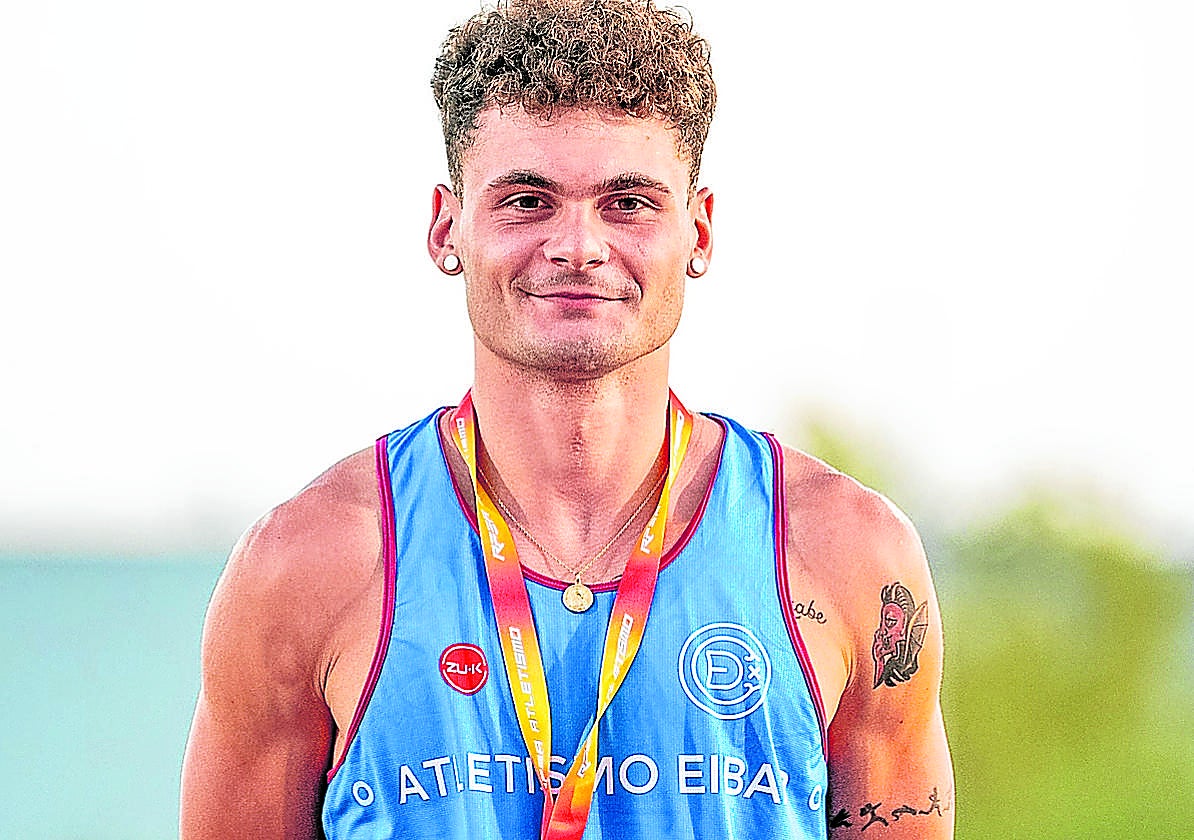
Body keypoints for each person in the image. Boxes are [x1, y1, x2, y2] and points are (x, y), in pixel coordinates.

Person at [180, 1, 954, 837]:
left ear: (698, 230)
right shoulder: (308, 566)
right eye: (526, 200)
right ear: (448, 228)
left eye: (628, 203)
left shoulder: (845, 555)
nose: (578, 246)